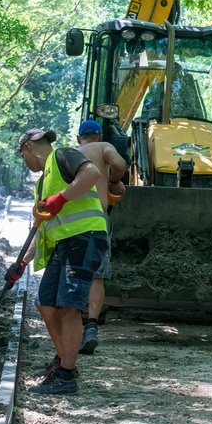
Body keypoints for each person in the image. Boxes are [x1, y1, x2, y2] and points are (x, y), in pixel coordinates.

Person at [8, 127, 108, 395]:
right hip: (64, 244)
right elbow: (42, 229)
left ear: (27, 147)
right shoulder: (43, 183)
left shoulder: (64, 155)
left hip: (84, 237)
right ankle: (66, 364)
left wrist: (61, 198)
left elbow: (92, 174)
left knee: (68, 305)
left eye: (22, 156)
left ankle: (65, 376)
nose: (25, 162)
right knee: (46, 303)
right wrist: (22, 264)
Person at [75, 119, 127, 355]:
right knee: (97, 276)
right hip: (97, 219)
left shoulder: (69, 154)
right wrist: (114, 181)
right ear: (99, 135)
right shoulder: (103, 147)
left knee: (73, 271)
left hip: (72, 222)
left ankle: (73, 324)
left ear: (79, 138)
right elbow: (120, 163)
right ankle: (92, 326)